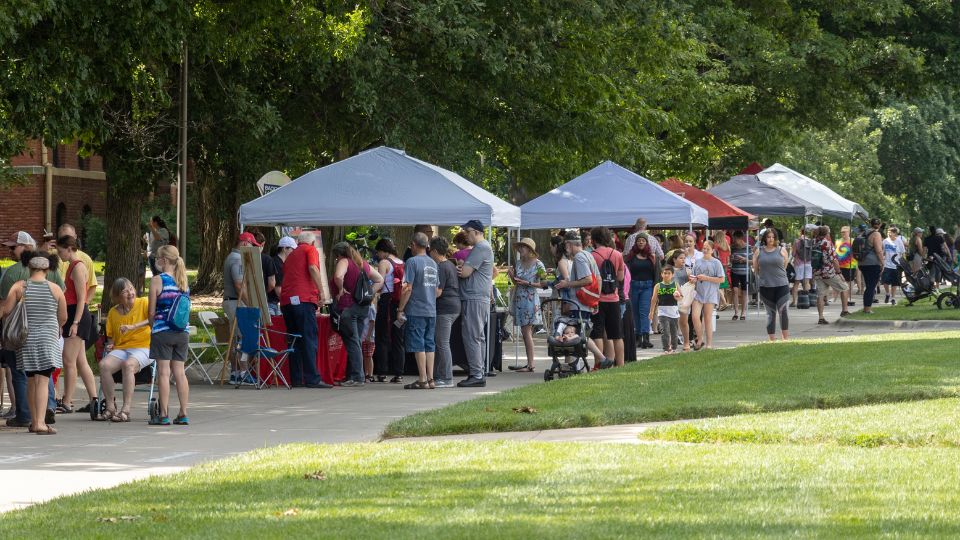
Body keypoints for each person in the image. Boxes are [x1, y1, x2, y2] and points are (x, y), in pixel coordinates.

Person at [1, 232, 64, 428]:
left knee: (29, 380)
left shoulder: (20, 286)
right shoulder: (55, 289)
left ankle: (32, 419)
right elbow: (63, 317)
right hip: (48, 339)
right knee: (43, 381)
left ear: (28, 266)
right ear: (48, 268)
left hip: (25, 339)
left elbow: (6, 310)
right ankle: (40, 423)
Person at [280, 231, 332, 389]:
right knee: (309, 338)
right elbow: (313, 268)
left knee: (294, 339)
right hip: (303, 299)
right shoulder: (311, 250)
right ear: (313, 243)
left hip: (287, 301)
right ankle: (312, 378)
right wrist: (322, 291)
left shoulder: (291, 255)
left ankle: (296, 378)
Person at [554, 231, 611, 368]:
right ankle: (578, 363)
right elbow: (598, 278)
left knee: (576, 333)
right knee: (580, 333)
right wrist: (595, 299)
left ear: (568, 245)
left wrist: (566, 284)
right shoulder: (588, 255)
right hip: (586, 302)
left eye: (565, 245)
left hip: (579, 303)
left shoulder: (579, 258)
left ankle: (598, 360)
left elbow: (587, 279)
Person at [148, 245, 190, 425]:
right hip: (182, 333)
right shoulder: (183, 281)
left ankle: (163, 414)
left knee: (164, 374)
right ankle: (183, 412)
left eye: (158, 257)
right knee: (180, 373)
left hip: (162, 331)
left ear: (163, 260)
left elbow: (151, 311)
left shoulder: (157, 280)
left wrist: (153, 326)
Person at [332, 241, 384, 387]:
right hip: (363, 307)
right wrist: (369, 293)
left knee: (352, 342)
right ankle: (352, 375)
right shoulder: (362, 264)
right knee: (357, 342)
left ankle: (357, 377)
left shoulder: (344, 261)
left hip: (348, 307)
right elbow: (380, 279)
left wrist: (341, 289)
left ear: (339, 254)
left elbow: (338, 276)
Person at [100, 278, 152, 422]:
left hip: (144, 346)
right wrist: (110, 345)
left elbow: (154, 319)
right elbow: (111, 338)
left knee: (128, 365)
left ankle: (126, 409)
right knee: (104, 365)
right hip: (122, 348)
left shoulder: (144, 303)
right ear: (117, 296)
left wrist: (134, 326)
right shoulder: (113, 312)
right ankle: (110, 407)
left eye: (131, 288)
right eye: (125, 291)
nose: (130, 293)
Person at [55, 236, 97, 413]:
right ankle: (94, 398)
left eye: (61, 251)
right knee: (80, 361)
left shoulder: (78, 267)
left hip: (77, 315)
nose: (59, 254)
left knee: (68, 360)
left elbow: (82, 299)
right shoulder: (72, 266)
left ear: (70, 248)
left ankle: (67, 400)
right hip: (73, 314)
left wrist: (75, 323)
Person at [397, 233, 439, 389]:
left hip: (416, 309)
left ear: (414, 244)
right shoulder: (433, 263)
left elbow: (407, 288)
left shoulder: (412, 262)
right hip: (431, 309)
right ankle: (431, 378)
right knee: (430, 344)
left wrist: (400, 308)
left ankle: (422, 379)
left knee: (418, 344)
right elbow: (436, 290)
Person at [456, 220, 494, 387]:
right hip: (478, 297)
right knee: (478, 337)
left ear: (477, 232)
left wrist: (459, 267)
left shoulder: (481, 248)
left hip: (474, 297)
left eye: (467, 231)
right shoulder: (483, 247)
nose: (465, 234)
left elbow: (464, 273)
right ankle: (480, 372)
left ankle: (477, 374)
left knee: (472, 336)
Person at [223, 231, 258, 385]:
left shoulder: (232, 257)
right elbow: (239, 285)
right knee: (242, 337)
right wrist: (250, 303)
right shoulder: (237, 259)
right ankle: (243, 373)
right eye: (251, 245)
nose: (252, 248)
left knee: (235, 337)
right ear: (244, 243)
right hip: (235, 301)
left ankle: (236, 372)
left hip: (231, 301)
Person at [507, 238, 545, 373]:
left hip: (530, 299)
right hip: (519, 299)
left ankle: (531, 364)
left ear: (529, 249)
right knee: (525, 332)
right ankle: (530, 363)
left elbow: (544, 283)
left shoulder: (539, 264)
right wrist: (512, 276)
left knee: (526, 332)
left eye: (522, 247)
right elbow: (517, 282)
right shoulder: (518, 263)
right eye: (519, 247)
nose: (520, 250)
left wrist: (527, 283)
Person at [589, 227, 626, 366]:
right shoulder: (617, 254)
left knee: (597, 333)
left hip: (597, 299)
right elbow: (621, 277)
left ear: (594, 239)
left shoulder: (591, 255)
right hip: (614, 298)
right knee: (616, 335)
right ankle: (620, 364)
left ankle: (598, 364)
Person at [373, 238, 405, 384]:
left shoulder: (384, 263)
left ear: (383, 251)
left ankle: (382, 372)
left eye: (378, 252)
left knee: (382, 336)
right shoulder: (401, 262)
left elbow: (379, 283)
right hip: (400, 305)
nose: (378, 255)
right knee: (398, 338)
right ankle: (399, 373)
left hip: (386, 303)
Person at [430, 236, 459, 388]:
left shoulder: (441, 267)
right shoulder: (450, 265)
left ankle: (446, 377)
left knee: (442, 343)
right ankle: (440, 375)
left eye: (431, 251)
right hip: (453, 307)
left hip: (445, 309)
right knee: (441, 342)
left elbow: (437, 292)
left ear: (435, 251)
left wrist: (425, 295)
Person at [753, 229, 791, 341]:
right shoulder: (759, 251)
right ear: (765, 238)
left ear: (776, 238)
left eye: (773, 237)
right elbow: (756, 268)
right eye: (768, 237)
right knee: (770, 313)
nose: (771, 239)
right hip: (766, 286)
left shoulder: (782, 250)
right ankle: (772, 340)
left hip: (781, 286)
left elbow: (785, 265)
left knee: (783, 311)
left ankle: (785, 339)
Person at [689, 240, 725, 350]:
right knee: (695, 317)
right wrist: (692, 279)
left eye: (707, 248)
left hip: (710, 293)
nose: (705, 250)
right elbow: (693, 275)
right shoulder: (698, 261)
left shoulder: (716, 263)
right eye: (703, 248)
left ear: (712, 250)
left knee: (707, 319)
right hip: (698, 293)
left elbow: (721, 279)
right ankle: (700, 339)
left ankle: (709, 344)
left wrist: (706, 278)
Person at [625, 233, 657, 349]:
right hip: (633, 286)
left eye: (643, 240)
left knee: (645, 312)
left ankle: (646, 338)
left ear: (646, 242)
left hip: (647, 286)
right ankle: (638, 337)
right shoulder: (630, 257)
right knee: (635, 312)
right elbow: (626, 273)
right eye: (639, 241)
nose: (641, 242)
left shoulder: (651, 257)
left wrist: (656, 288)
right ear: (636, 242)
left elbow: (656, 273)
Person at [648, 265, 681, 353]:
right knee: (665, 331)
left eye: (668, 273)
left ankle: (673, 348)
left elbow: (681, 297)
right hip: (662, 312)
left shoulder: (675, 285)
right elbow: (654, 299)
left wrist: (678, 296)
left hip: (673, 312)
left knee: (674, 332)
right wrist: (651, 312)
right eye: (664, 273)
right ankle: (666, 348)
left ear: (672, 275)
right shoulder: (658, 286)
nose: (666, 275)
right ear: (661, 274)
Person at [667, 250, 693, 351]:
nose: (683, 260)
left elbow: (691, 282)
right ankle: (670, 344)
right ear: (674, 259)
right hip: (671, 299)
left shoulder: (687, 270)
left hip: (684, 299)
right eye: (681, 258)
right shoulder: (669, 270)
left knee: (683, 322)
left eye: (684, 258)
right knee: (671, 322)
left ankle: (686, 342)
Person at [859, 218, 885, 314]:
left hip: (862, 263)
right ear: (879, 225)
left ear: (870, 224)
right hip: (872, 263)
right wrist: (882, 262)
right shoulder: (876, 234)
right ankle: (867, 309)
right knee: (871, 286)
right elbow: (878, 250)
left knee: (868, 286)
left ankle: (866, 307)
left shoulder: (864, 233)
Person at [268, 236, 297, 316]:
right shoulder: (277, 263)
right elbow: (278, 290)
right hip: (271, 304)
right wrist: (292, 304)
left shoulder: (282, 263)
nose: (294, 252)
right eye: (292, 249)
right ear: (284, 249)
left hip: (275, 303)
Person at [253, 231, 277, 315]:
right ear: (262, 244)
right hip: (263, 299)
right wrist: (263, 292)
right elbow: (272, 284)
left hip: (245, 298)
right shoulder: (267, 259)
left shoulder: (243, 257)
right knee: (263, 326)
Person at [790, 225, 814, 307]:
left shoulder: (797, 241)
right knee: (807, 282)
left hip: (799, 264)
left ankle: (794, 301)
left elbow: (793, 254)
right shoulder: (811, 241)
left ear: (801, 232)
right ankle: (806, 300)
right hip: (808, 263)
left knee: (796, 283)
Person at [729, 231, 750, 321]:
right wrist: (732, 259)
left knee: (744, 291)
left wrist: (744, 259)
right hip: (735, 270)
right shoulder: (733, 247)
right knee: (735, 290)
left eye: (735, 239)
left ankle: (743, 312)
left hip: (745, 271)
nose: (734, 241)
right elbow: (731, 258)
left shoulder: (748, 247)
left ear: (741, 238)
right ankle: (736, 312)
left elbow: (752, 260)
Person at [881, 226, 905, 305]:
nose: (889, 234)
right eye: (888, 232)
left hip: (896, 265)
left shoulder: (899, 241)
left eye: (890, 232)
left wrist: (902, 263)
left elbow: (902, 252)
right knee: (885, 281)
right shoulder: (885, 241)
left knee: (894, 283)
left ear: (895, 233)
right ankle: (887, 293)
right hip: (887, 264)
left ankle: (893, 298)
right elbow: (882, 251)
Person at [836, 226, 858, 307]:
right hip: (839, 265)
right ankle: (839, 297)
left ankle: (847, 298)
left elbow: (856, 252)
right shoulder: (838, 241)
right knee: (840, 282)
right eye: (842, 232)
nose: (843, 233)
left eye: (845, 232)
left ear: (849, 232)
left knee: (849, 282)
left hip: (850, 265)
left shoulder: (853, 241)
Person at [712, 231, 732, 311]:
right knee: (722, 285)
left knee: (718, 285)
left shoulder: (716, 245)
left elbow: (715, 255)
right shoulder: (726, 245)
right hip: (726, 265)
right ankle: (721, 304)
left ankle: (724, 302)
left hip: (719, 265)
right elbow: (729, 255)